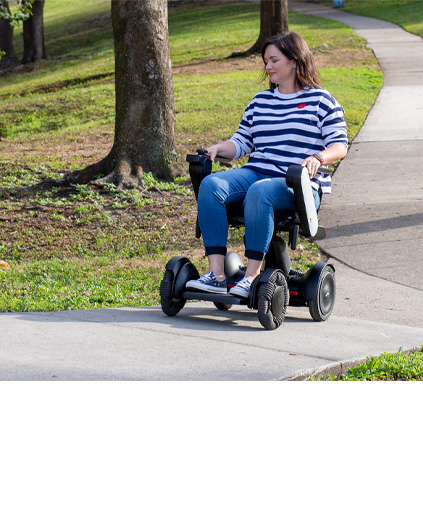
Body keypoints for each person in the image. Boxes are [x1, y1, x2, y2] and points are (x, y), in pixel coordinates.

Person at [186, 32, 347, 298]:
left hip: (297, 183)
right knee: (211, 184)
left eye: (274, 60)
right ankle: (216, 275)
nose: (268, 66)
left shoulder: (321, 101)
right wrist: (217, 149)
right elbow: (241, 142)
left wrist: (318, 158)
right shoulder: (260, 102)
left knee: (260, 191)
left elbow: (339, 145)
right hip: (257, 172)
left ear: (294, 61)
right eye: (266, 61)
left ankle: (251, 277)